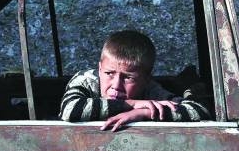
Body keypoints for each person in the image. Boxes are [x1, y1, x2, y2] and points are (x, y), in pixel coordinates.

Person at [60, 29, 210, 131]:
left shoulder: (151, 90)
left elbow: (199, 110)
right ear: (100, 69)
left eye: (128, 77)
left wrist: (142, 113)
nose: (116, 85)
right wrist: (132, 104)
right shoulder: (86, 80)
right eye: (109, 73)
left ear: (146, 79)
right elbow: (69, 109)